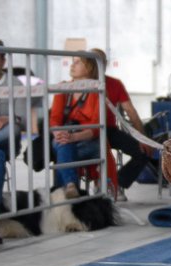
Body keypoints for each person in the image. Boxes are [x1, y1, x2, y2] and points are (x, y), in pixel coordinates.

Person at [0, 39, 37, 246]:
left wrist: (8, 117)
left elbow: (22, 118)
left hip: (4, 137)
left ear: (3, 61)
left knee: (8, 131)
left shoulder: (14, 84)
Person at [90, 48, 155, 195]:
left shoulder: (115, 84)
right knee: (98, 153)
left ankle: (116, 182)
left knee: (144, 152)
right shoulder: (79, 84)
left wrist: (143, 138)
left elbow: (131, 112)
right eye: (94, 61)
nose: (99, 65)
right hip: (87, 131)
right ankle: (93, 184)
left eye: (102, 62)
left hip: (109, 130)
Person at [49, 55, 104, 199]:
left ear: (90, 68)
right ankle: (71, 186)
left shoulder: (98, 89)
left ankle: (60, 197)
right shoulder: (63, 86)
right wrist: (58, 133)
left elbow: (97, 127)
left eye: (78, 63)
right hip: (64, 137)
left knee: (64, 151)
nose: (72, 66)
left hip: (89, 140)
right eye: (72, 62)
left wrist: (73, 137)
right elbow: (54, 119)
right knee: (63, 145)